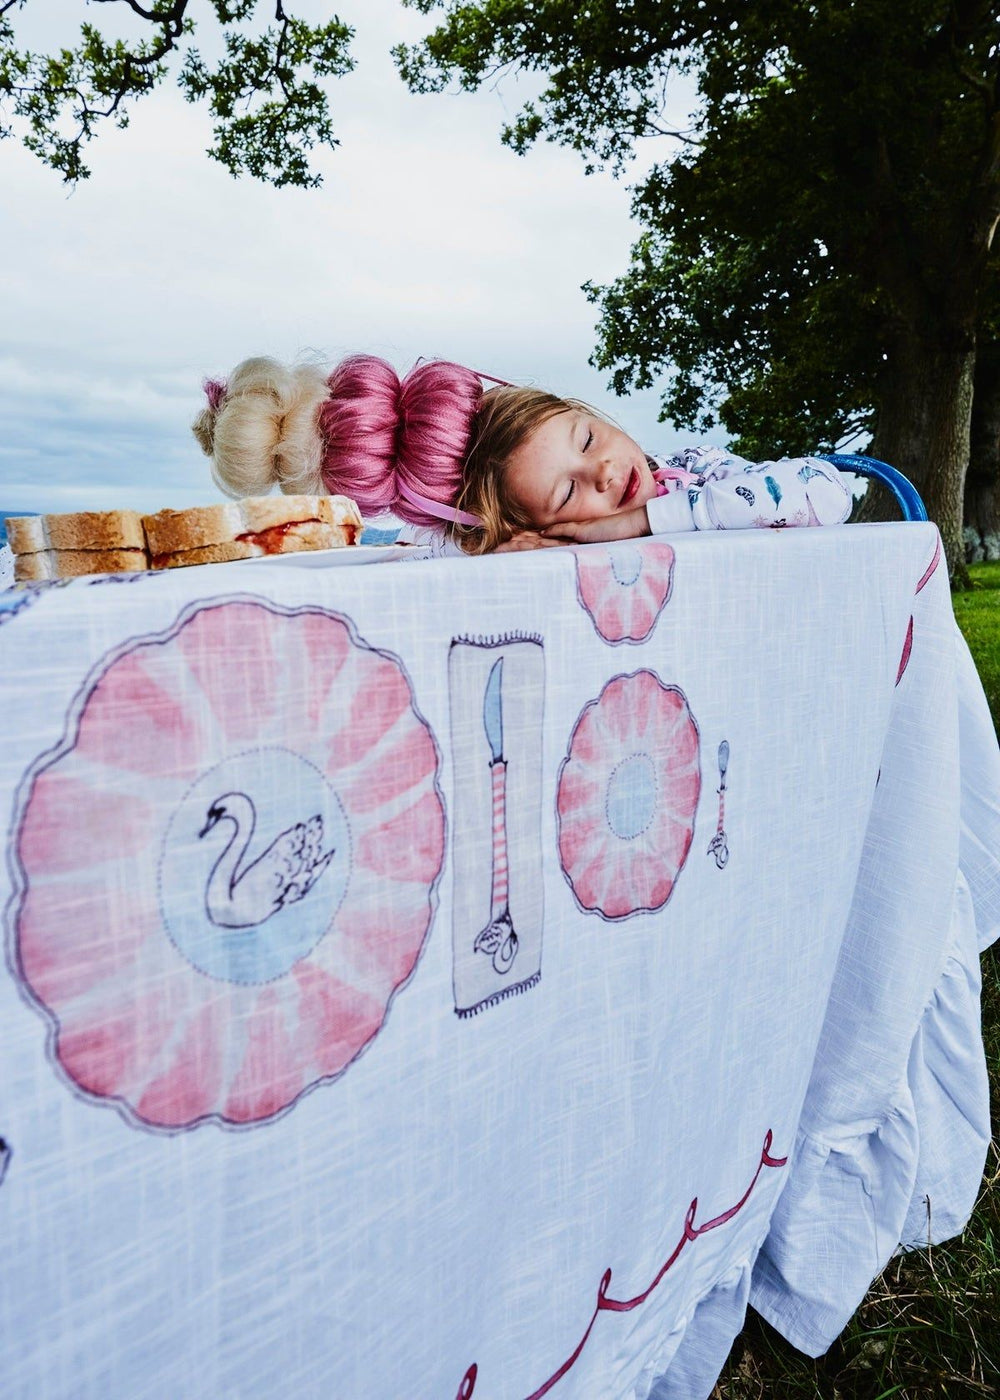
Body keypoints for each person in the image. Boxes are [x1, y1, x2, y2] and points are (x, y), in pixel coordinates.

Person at [193, 355, 853, 555]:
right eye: (569, 495)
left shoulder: (696, 469)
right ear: (531, 527)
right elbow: (422, 546)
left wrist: (647, 522)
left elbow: (829, 491)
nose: (602, 471)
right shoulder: (540, 549)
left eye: (588, 438)